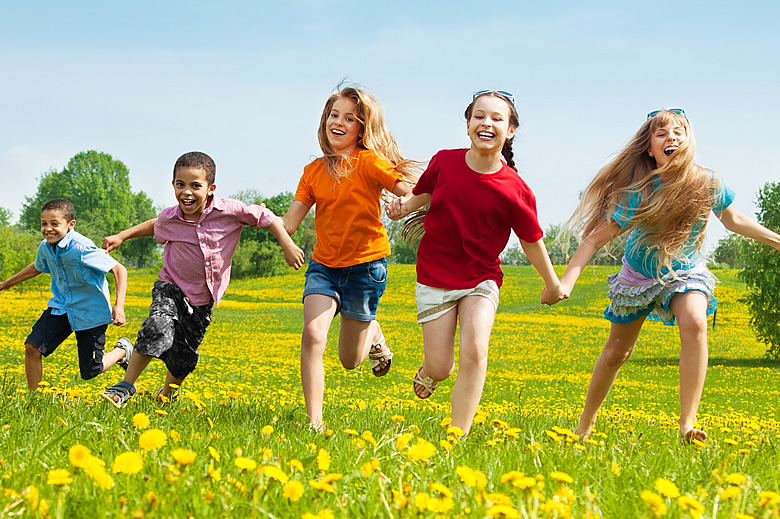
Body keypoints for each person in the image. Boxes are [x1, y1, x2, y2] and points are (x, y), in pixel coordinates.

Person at [555, 108, 780, 443]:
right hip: (638, 275)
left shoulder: (707, 182)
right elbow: (593, 239)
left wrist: (776, 240)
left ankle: (688, 423)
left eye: (679, 132)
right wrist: (565, 283)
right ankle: (585, 423)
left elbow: (733, 220)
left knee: (695, 321)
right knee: (618, 352)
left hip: (684, 271)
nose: (671, 138)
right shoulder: (639, 192)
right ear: (649, 148)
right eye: (661, 134)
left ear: (689, 140)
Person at [386, 90, 562, 436]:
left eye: (498, 118)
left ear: (510, 130)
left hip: (481, 278)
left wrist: (552, 283)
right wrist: (401, 209)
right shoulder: (444, 162)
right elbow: (423, 194)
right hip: (435, 275)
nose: (487, 123)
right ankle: (430, 372)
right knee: (440, 365)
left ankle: (457, 434)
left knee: (476, 349)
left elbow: (531, 240)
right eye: (480, 116)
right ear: (468, 124)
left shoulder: (515, 189)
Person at [99, 151, 304, 408]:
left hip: (202, 299)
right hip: (170, 288)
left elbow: (267, 218)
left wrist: (287, 245)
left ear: (210, 188)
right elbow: (155, 224)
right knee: (157, 328)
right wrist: (122, 235)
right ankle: (125, 386)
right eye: (180, 184)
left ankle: (167, 396)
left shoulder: (230, 211)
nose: (187, 192)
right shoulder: (170, 218)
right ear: (173, 184)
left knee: (183, 356)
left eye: (195, 185)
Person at [280, 85, 420, 430]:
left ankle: (372, 333)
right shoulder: (313, 171)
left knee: (349, 360)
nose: (338, 122)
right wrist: (264, 224)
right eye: (333, 115)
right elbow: (290, 222)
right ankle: (314, 422)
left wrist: (404, 206)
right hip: (324, 267)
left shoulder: (369, 162)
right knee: (313, 335)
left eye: (349, 118)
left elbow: (410, 192)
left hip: (365, 268)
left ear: (362, 129)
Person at [0, 198, 131, 391]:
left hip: (90, 313)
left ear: (70, 225)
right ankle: (33, 398)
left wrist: (119, 307)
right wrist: (5, 284)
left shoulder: (81, 248)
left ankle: (122, 351)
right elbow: (37, 267)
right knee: (32, 347)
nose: (48, 229)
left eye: (54, 223)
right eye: (44, 224)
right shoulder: (45, 247)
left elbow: (120, 270)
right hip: (61, 308)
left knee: (90, 371)